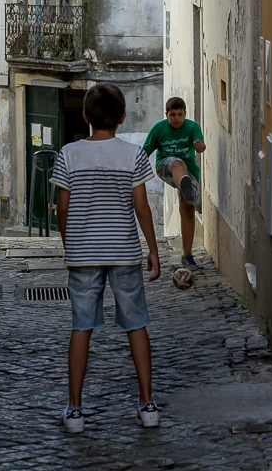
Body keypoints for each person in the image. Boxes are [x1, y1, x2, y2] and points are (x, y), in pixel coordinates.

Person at [52, 83, 161, 435]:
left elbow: (63, 207)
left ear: (85, 116)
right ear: (123, 117)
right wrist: (153, 249)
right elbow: (141, 207)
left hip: (83, 254)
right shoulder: (133, 155)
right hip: (125, 253)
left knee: (81, 326)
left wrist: (71, 244)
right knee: (136, 324)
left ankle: (75, 410)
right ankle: (147, 404)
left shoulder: (69, 154)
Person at [143, 97, 206, 270]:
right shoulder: (158, 128)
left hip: (190, 171)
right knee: (178, 163)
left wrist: (199, 146)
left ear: (185, 114)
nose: (176, 118)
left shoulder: (192, 127)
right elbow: (144, 152)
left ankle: (187, 255)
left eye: (180, 114)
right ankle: (184, 184)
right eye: (172, 115)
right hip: (166, 166)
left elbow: (201, 148)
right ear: (166, 115)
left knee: (187, 208)